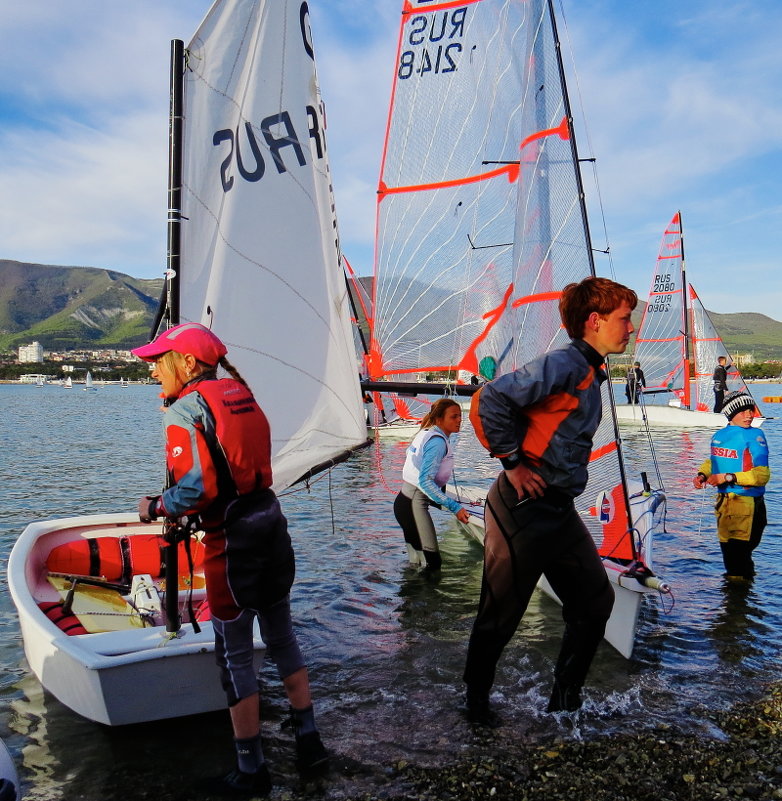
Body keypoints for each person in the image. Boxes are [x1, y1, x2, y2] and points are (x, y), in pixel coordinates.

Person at [132, 322, 327, 798]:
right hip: (272, 529)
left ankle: (251, 770)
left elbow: (199, 488)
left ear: (190, 364)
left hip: (232, 544)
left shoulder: (185, 410)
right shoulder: (241, 393)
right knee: (282, 637)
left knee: (235, 655)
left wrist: (157, 506)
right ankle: (310, 743)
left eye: (160, 359)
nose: (154, 368)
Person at [462, 276, 637, 722]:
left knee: (595, 603)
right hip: (522, 506)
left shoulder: (589, 371)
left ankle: (564, 703)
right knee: (500, 616)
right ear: (595, 321)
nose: (630, 327)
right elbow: (490, 399)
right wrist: (512, 463)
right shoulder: (565, 364)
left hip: (557, 509)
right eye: (623, 318)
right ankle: (475, 706)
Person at [693, 390, 770, 581]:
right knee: (732, 559)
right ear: (730, 414)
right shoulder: (719, 436)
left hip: (749, 504)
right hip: (726, 505)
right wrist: (702, 474)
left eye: (750, 410)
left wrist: (727, 478)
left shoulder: (755, 435)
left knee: (739, 560)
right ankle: (736, 602)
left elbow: (762, 475)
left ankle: (739, 603)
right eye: (743, 411)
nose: (749, 415)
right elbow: (714, 461)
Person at [393, 398, 471, 572]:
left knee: (415, 564)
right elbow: (425, 482)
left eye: (460, 416)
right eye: (454, 417)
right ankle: (428, 599)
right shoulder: (437, 442)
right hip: (414, 506)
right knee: (432, 564)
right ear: (439, 420)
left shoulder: (427, 432)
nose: (459, 420)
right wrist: (455, 508)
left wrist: (441, 498)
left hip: (404, 503)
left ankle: (409, 598)